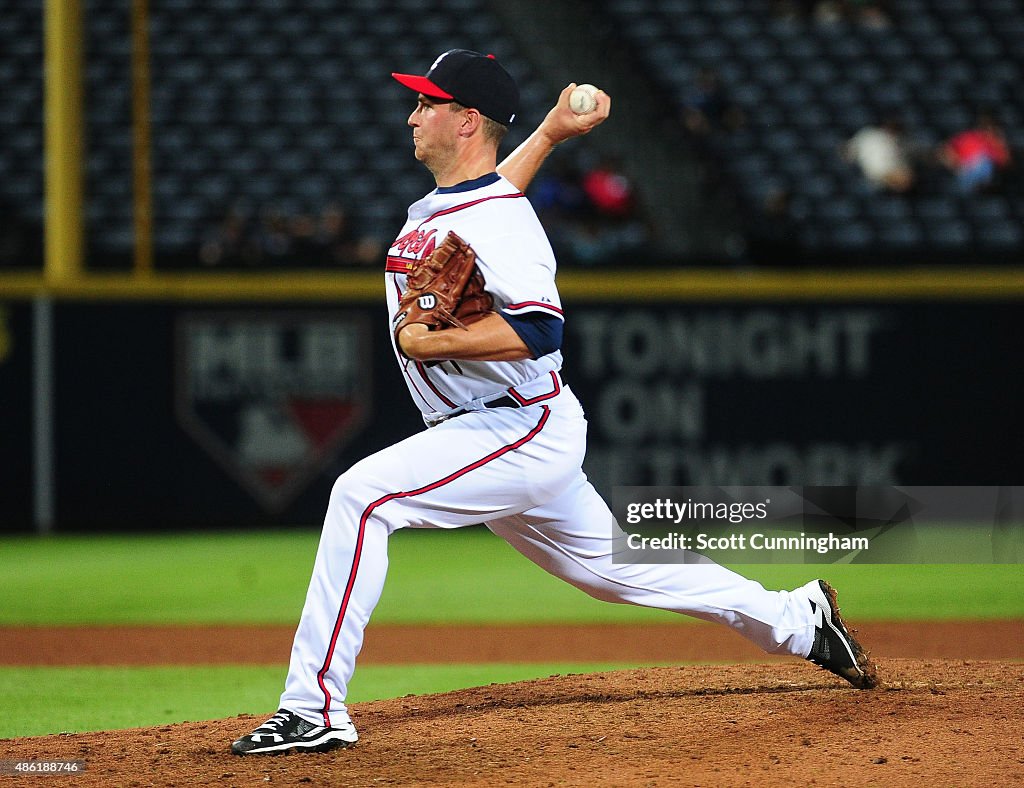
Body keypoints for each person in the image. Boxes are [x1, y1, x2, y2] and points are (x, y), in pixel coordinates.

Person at [231, 49, 878, 756]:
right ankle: (801, 619)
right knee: (614, 572)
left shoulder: (501, 219)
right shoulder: (465, 203)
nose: (413, 115)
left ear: (467, 120)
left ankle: (314, 704)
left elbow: (542, 329)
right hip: (505, 426)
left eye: (428, 103)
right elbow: (493, 193)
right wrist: (546, 135)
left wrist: (431, 344)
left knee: (364, 496)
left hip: (516, 425)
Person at [938, 110, 1012, 194]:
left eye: (991, 126)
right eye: (985, 125)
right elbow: (944, 151)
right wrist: (956, 164)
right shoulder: (968, 137)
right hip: (964, 174)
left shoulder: (996, 142)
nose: (988, 128)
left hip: (989, 181)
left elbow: (1005, 161)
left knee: (985, 162)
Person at [842, 116, 916, 193]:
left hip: (885, 176)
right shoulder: (869, 135)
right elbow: (847, 152)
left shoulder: (900, 144)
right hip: (871, 177)